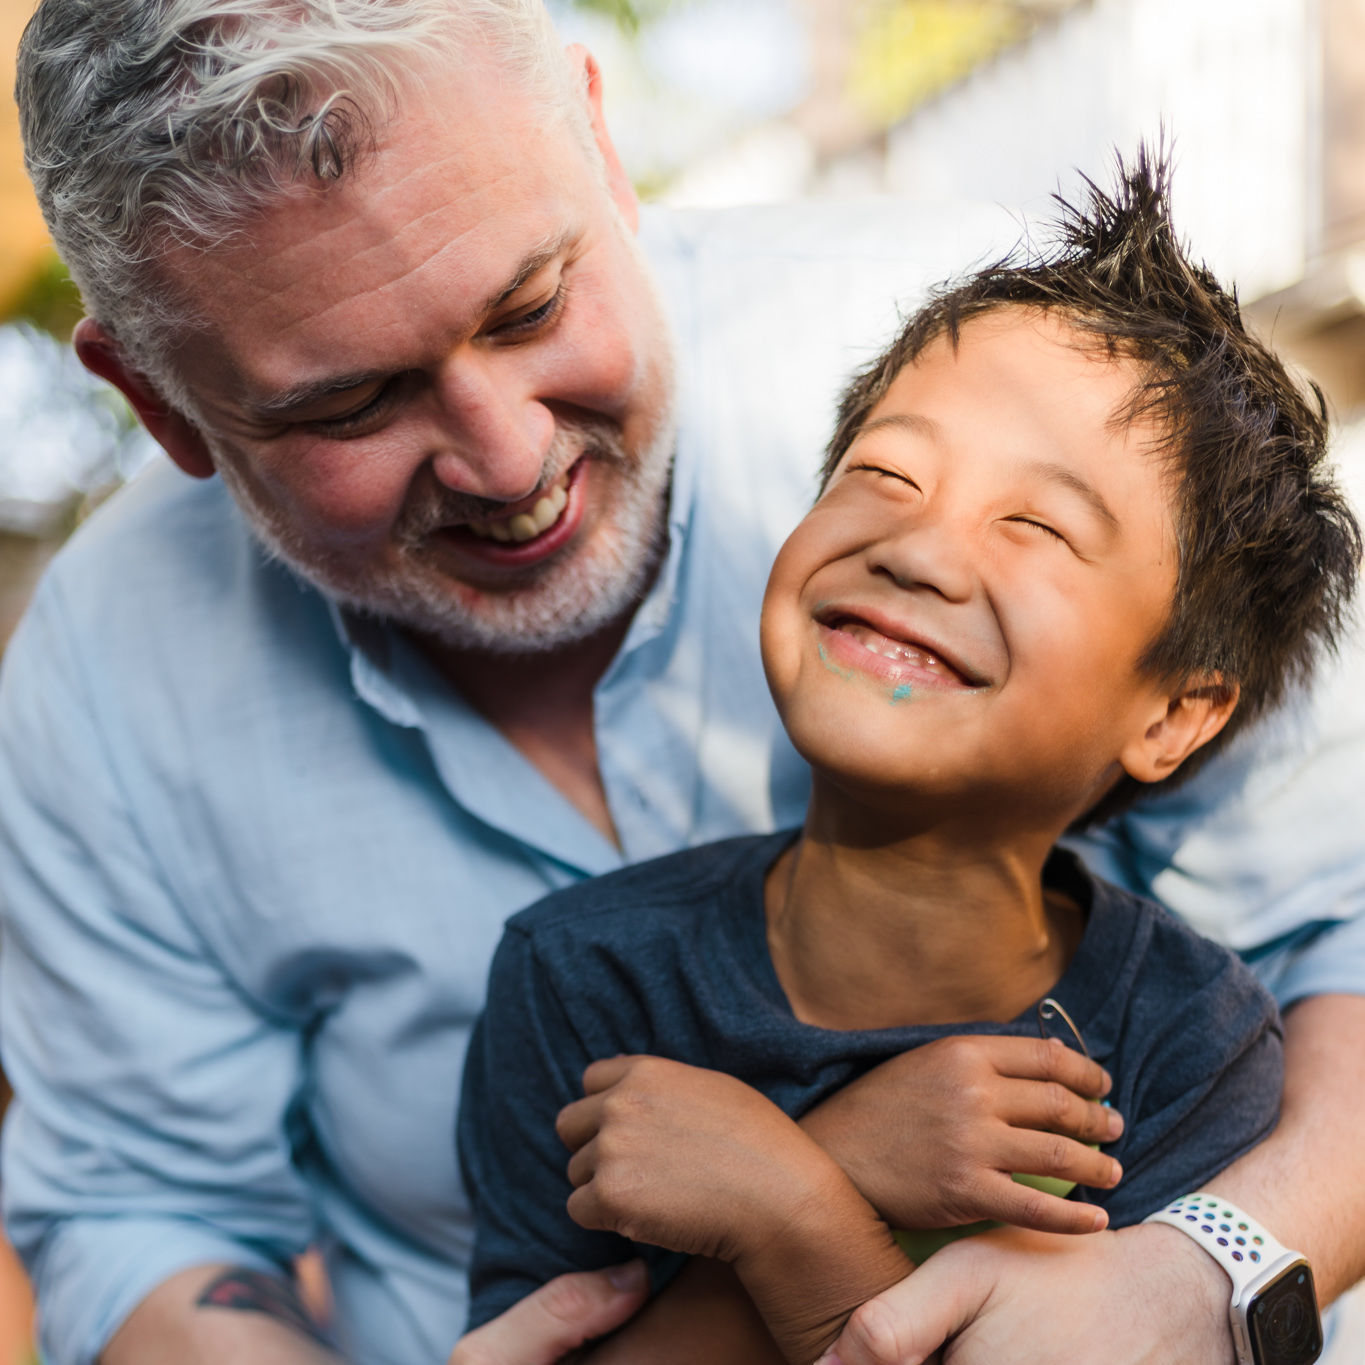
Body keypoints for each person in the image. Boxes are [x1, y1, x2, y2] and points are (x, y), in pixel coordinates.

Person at [2, 2, 1363, 1364]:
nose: (506, 456)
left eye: (531, 304)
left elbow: (1343, 921)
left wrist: (1214, 1269)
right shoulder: (114, 675)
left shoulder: (1017, 369)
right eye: (349, 403)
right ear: (163, 405)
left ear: (601, 141)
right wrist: (815, 1183)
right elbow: (144, 1212)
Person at [455, 153, 1356, 1363]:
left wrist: (797, 1204)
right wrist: (844, 1167)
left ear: (1174, 715)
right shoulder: (581, 978)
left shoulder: (1186, 1036)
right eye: (884, 474)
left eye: (1036, 525)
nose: (920, 551)